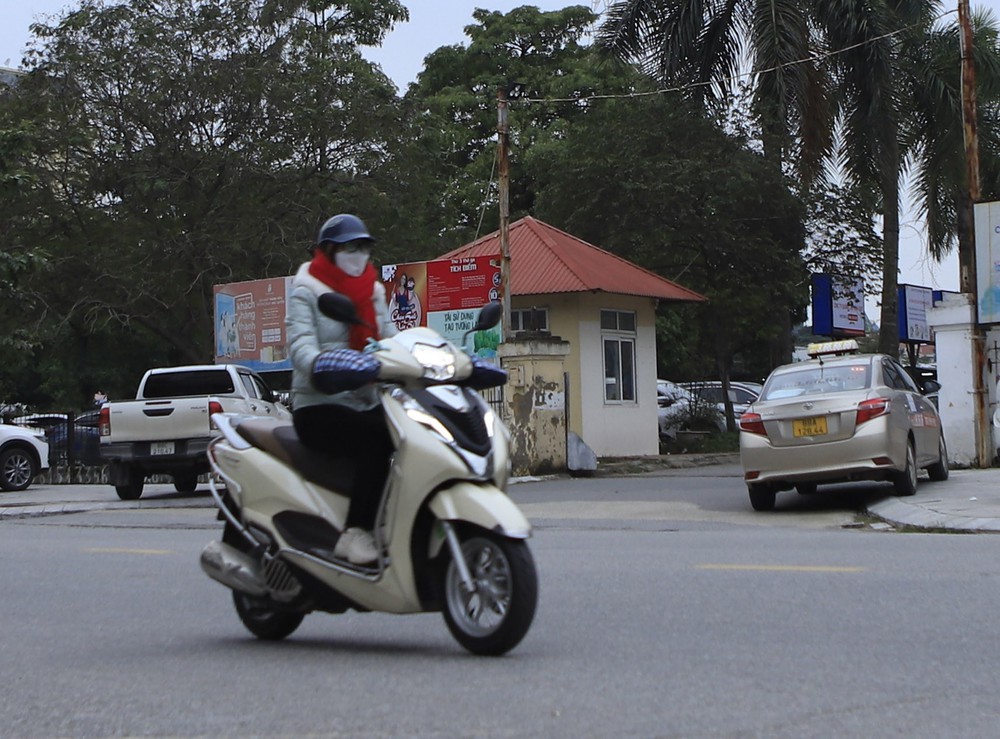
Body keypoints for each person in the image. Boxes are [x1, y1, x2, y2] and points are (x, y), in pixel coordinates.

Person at [285, 213, 397, 565]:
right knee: (378, 439)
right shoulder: (307, 290)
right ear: (329, 250)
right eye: (350, 247)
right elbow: (300, 344)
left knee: (413, 431)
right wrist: (325, 366)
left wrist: (417, 355)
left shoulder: (373, 291)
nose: (358, 254)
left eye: (363, 247)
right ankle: (356, 532)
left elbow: (391, 336)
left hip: (365, 399)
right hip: (319, 402)